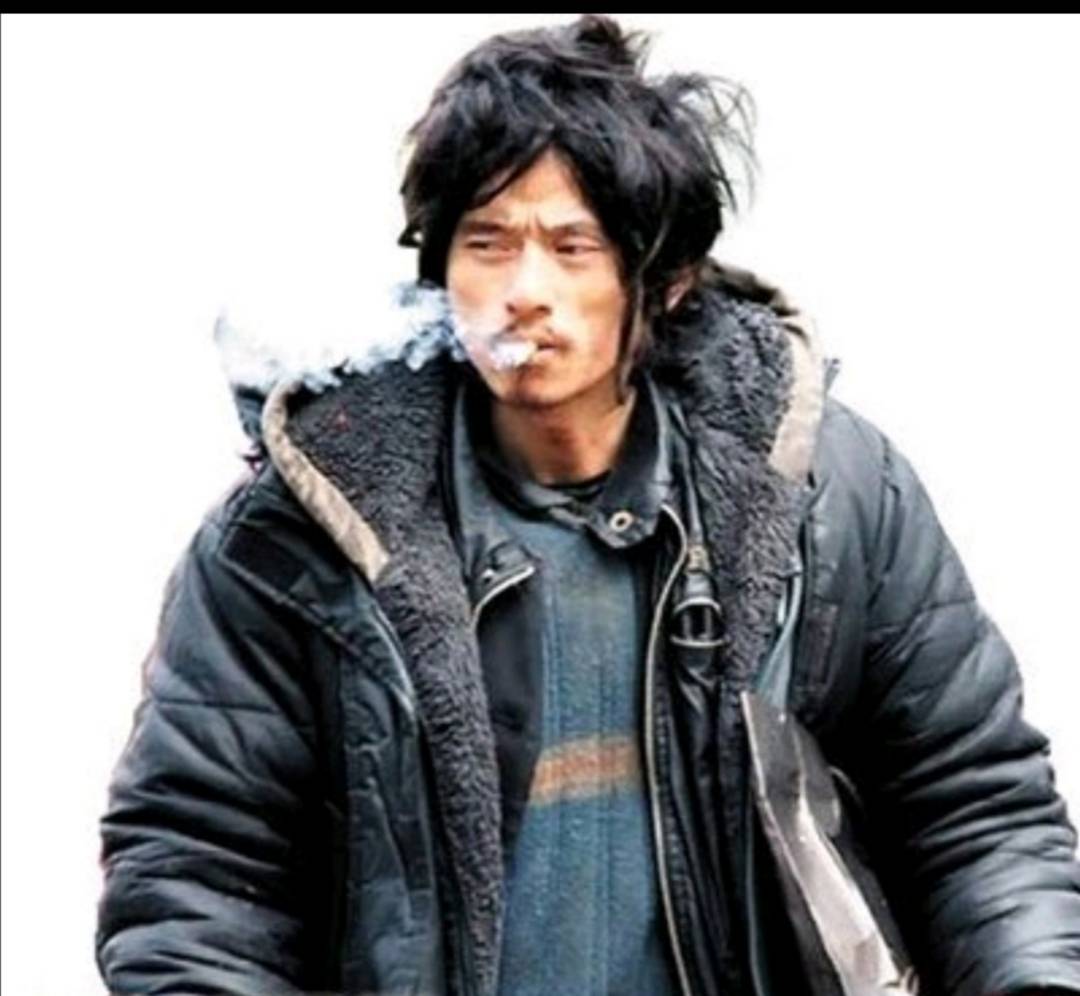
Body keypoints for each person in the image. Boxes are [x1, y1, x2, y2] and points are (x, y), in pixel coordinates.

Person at [95, 15, 1080, 996]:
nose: (524, 291)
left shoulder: (825, 498)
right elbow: (199, 872)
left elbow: (972, 805)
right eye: (487, 242)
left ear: (666, 280)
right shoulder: (305, 535)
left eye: (572, 247)